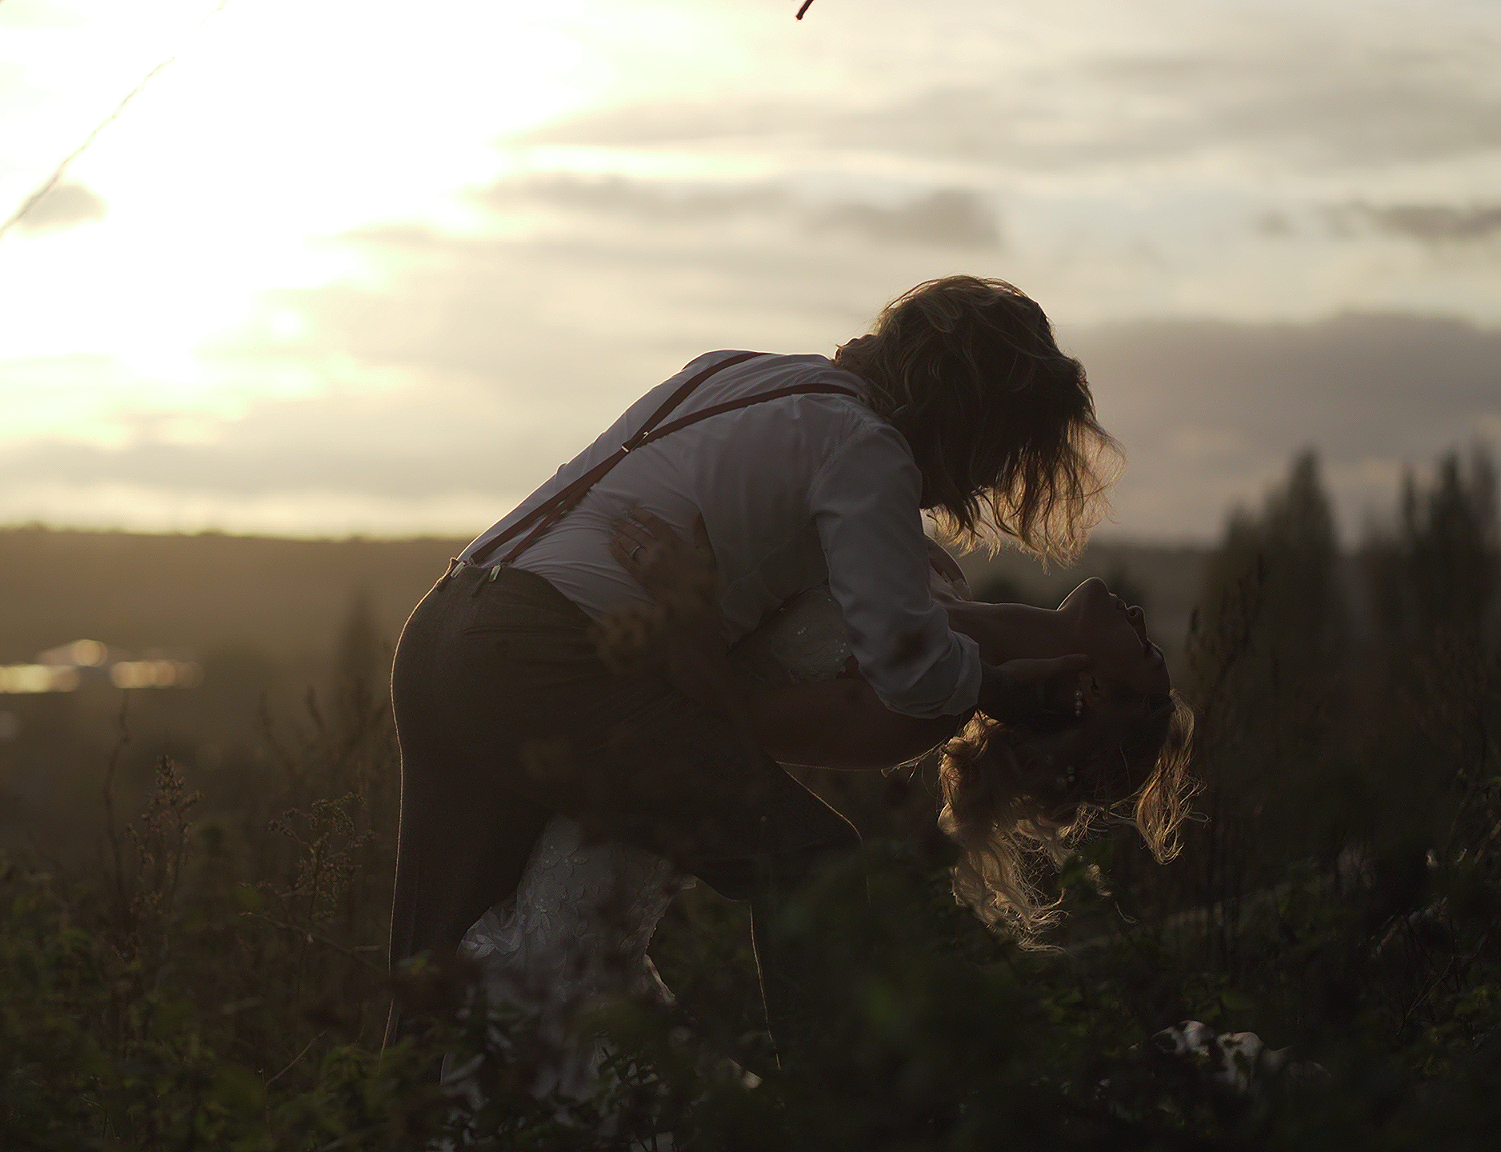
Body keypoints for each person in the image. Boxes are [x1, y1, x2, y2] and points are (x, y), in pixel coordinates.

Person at [386, 276, 1121, 1054]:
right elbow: (906, 662)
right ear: (967, 412)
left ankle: (390, 1116)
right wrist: (1007, 692)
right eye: (1000, 449)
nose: (983, 481)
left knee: (435, 961)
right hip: (543, 658)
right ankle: (826, 1119)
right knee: (810, 863)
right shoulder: (865, 446)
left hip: (445, 625)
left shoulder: (740, 371)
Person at [451, 517, 1192, 1094]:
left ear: (1092, 696)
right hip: (586, 737)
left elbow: (726, 720)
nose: (1141, 621)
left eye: (1149, 661)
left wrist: (687, 596)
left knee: (543, 1028)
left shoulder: (914, 711)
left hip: (617, 821)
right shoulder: (946, 582)